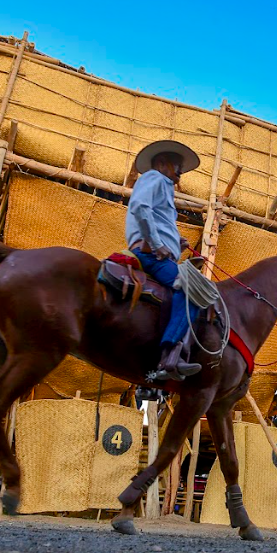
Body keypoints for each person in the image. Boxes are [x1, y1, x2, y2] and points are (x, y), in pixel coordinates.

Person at [126, 140, 203, 381]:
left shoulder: (163, 187)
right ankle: (171, 355)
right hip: (151, 255)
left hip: (156, 254)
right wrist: (158, 244)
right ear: (161, 163)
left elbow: (153, 217)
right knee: (193, 291)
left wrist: (175, 243)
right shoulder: (155, 178)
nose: (181, 171)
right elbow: (140, 207)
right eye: (177, 165)